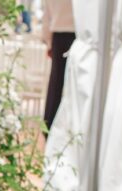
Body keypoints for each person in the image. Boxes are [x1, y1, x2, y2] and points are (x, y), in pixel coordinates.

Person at [41, 0, 76, 131]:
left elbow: (46, 18)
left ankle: (48, 125)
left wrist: (49, 43)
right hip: (76, 36)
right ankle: (70, 128)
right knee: (74, 84)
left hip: (59, 36)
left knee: (55, 83)